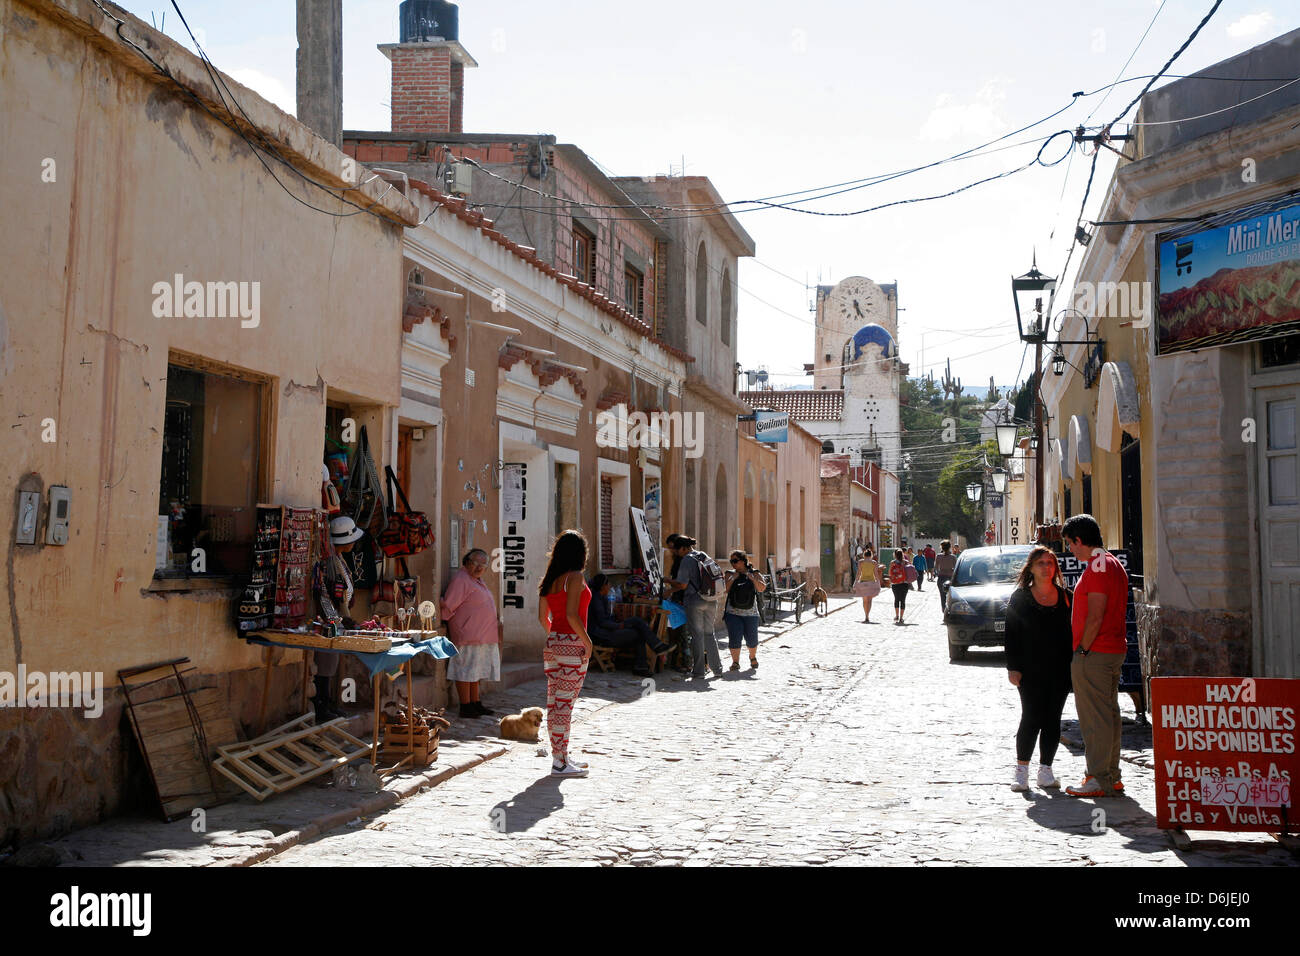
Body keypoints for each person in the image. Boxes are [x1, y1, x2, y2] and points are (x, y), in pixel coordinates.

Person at [1062, 514, 1131, 798]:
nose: (1070, 551)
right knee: (1109, 716)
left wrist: (1082, 649)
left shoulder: (1098, 566)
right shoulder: (1111, 562)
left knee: (1095, 719)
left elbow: (1096, 614)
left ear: (1079, 540)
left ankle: (1098, 777)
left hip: (1096, 651)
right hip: (1110, 649)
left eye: (1070, 544)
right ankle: (1110, 776)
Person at [1005, 547, 1074, 792]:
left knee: (1053, 719)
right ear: (1031, 568)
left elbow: (1073, 633)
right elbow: (1011, 635)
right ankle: (1021, 771)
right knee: (1031, 716)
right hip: (1029, 669)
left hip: (1060, 669)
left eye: (1050, 563)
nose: (1046, 567)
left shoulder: (1067, 597)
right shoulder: (1021, 597)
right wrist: (1013, 667)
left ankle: (1046, 770)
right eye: (1041, 563)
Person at [538, 530, 594, 778]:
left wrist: (556, 637)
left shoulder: (550, 580)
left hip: (553, 643)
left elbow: (543, 617)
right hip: (572, 644)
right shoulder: (575, 578)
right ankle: (559, 762)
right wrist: (587, 642)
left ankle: (561, 756)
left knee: (554, 702)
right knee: (565, 705)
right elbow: (573, 615)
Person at [311, 515, 363, 720]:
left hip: (337, 621)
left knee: (331, 664)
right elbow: (323, 594)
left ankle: (328, 702)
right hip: (328, 621)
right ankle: (321, 706)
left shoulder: (338, 560)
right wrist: (335, 620)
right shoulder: (329, 563)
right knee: (325, 663)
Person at [442, 549, 502, 719]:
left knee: (474, 671)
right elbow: (448, 606)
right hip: (467, 634)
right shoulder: (461, 580)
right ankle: (465, 706)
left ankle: (475, 702)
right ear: (466, 562)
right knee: (465, 670)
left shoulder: (476, 580)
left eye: (483, 564)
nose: (479, 567)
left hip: (481, 635)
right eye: (476, 563)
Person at [665, 535, 726, 681]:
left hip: (694, 601)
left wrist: (667, 581)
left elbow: (682, 585)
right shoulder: (703, 555)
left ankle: (698, 671)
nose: (677, 553)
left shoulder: (687, 559)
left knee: (697, 635)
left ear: (684, 548)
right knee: (709, 634)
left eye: (678, 550)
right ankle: (717, 669)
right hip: (711, 599)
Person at [587, 573, 670, 676]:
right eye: (608, 584)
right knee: (638, 631)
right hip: (602, 635)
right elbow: (602, 622)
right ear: (603, 586)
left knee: (637, 622)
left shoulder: (601, 597)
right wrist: (619, 626)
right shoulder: (596, 600)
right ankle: (649, 655)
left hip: (608, 630)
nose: (609, 587)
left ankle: (653, 650)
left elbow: (606, 619)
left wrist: (616, 622)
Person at [722, 550, 767, 671]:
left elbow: (762, 588)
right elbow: (724, 590)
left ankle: (752, 657)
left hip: (751, 613)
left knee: (752, 639)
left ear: (743, 561)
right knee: (734, 637)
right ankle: (735, 662)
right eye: (731, 561)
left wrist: (752, 578)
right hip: (732, 613)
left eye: (735, 561)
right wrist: (732, 578)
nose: (733, 563)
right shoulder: (729, 574)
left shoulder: (755, 573)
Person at [852, 546, 882, 623]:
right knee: (869, 600)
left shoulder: (860, 562)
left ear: (864, 555)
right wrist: (878, 582)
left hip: (863, 583)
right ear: (871, 555)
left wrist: (855, 582)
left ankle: (866, 615)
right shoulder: (874, 563)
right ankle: (868, 615)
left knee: (864, 601)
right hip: (871, 582)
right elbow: (875, 574)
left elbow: (858, 573)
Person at [934, 540, 958, 612]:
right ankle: (950, 610)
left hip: (941, 577)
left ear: (942, 547)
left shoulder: (938, 556)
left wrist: (938, 573)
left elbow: (935, 567)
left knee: (942, 596)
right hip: (950, 578)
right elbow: (956, 569)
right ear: (950, 547)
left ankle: (944, 610)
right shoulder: (953, 557)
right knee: (951, 596)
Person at [889, 550, 910, 624]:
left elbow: (890, 573)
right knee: (903, 600)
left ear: (895, 555)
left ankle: (897, 615)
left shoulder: (892, 562)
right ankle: (901, 618)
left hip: (895, 584)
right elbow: (909, 572)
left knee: (896, 599)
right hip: (904, 583)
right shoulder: (906, 562)